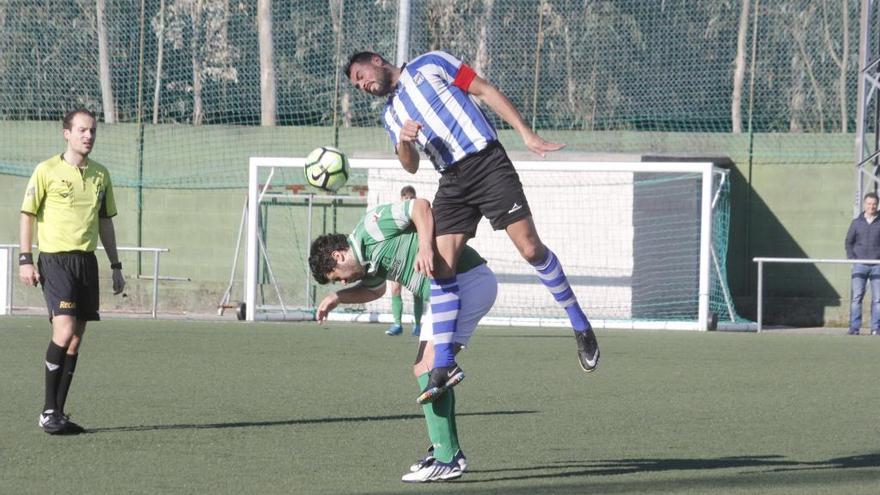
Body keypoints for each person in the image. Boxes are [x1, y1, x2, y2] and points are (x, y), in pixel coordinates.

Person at [344, 50, 600, 397]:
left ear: (376, 60)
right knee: (438, 265)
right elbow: (410, 166)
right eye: (358, 87)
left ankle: (579, 322)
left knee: (530, 249)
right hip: (451, 179)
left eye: (361, 76)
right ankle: (445, 361)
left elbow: (484, 90)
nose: (364, 86)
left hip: (487, 163)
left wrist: (526, 133)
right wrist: (405, 142)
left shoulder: (430, 63)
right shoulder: (391, 115)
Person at [309, 197, 496, 482]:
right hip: (445, 295)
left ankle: (448, 457)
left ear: (338, 256)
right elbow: (374, 291)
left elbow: (419, 206)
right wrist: (337, 298)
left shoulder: (371, 227)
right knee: (423, 368)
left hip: (467, 282)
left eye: (337, 278)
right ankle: (446, 451)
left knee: (432, 367)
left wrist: (424, 247)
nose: (343, 282)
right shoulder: (367, 265)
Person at [19, 108, 125, 435]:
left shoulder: (100, 175)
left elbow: (105, 223)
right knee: (63, 332)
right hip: (55, 260)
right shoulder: (46, 170)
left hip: (86, 262)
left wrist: (116, 265)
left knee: (76, 340)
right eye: (82, 130)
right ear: (67, 133)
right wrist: (25, 259)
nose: (88, 136)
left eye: (92, 131)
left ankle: (58, 413)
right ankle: (48, 410)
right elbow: (27, 215)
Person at [385, 185, 425, 337]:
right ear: (401, 199)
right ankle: (397, 324)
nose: (409, 200)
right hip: (397, 256)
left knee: (417, 291)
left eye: (411, 198)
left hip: (414, 256)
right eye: (406, 198)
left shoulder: (418, 216)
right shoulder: (396, 214)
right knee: (395, 288)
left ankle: (417, 325)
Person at [844, 192, 880, 336]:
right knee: (856, 298)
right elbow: (848, 242)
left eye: (874, 204)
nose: (871, 206)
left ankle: (876, 328)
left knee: (878, 299)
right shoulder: (856, 222)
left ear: (877, 205)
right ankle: (854, 328)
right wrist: (852, 259)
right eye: (869, 203)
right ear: (864, 204)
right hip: (859, 265)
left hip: (877, 266)